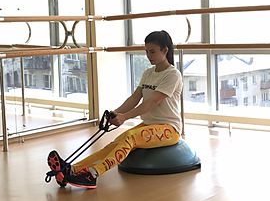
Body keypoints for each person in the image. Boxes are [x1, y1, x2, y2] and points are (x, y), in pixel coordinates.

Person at [47, 30, 182, 189]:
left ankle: (93, 174)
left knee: (130, 137)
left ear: (165, 50)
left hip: (169, 129)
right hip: (148, 125)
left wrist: (125, 117)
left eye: (152, 51)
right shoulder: (148, 73)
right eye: (146, 51)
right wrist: (116, 113)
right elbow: (135, 98)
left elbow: (152, 102)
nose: (148, 55)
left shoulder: (173, 75)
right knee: (114, 144)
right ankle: (71, 169)